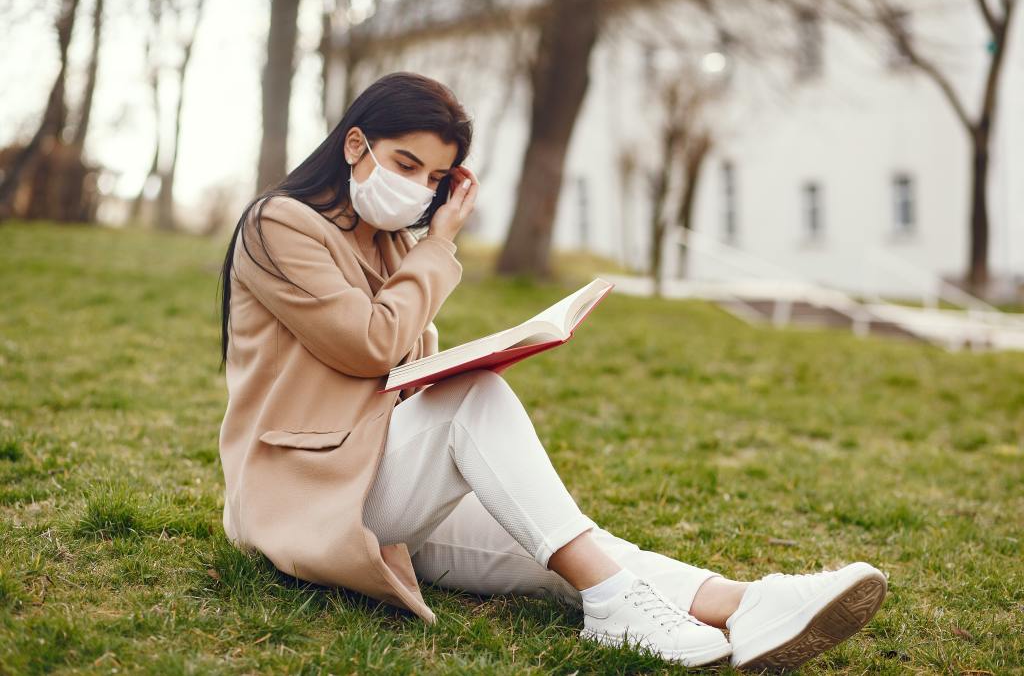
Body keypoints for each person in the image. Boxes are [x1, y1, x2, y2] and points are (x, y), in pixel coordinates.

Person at [216, 71, 887, 670]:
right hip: (309, 491)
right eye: (406, 163)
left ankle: (745, 604)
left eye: (433, 179)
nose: (418, 189)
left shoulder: (394, 247)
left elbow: (399, 370)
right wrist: (440, 243)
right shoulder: (281, 224)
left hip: (380, 483)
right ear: (356, 145)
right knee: (473, 395)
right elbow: (370, 345)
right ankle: (616, 607)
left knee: (567, 546)